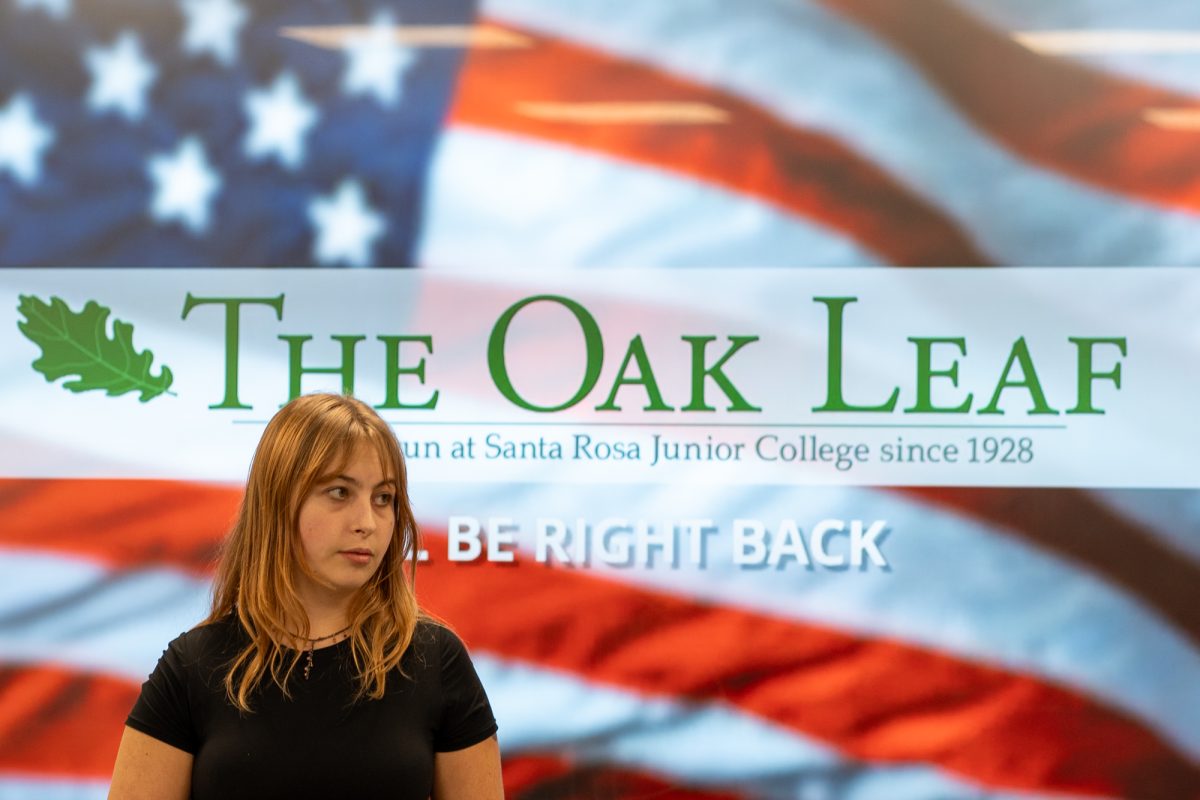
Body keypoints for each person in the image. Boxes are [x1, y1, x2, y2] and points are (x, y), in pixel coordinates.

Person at [108, 393, 502, 800]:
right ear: (278, 502)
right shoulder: (194, 665)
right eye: (339, 493)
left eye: (383, 498)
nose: (367, 522)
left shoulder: (435, 660)